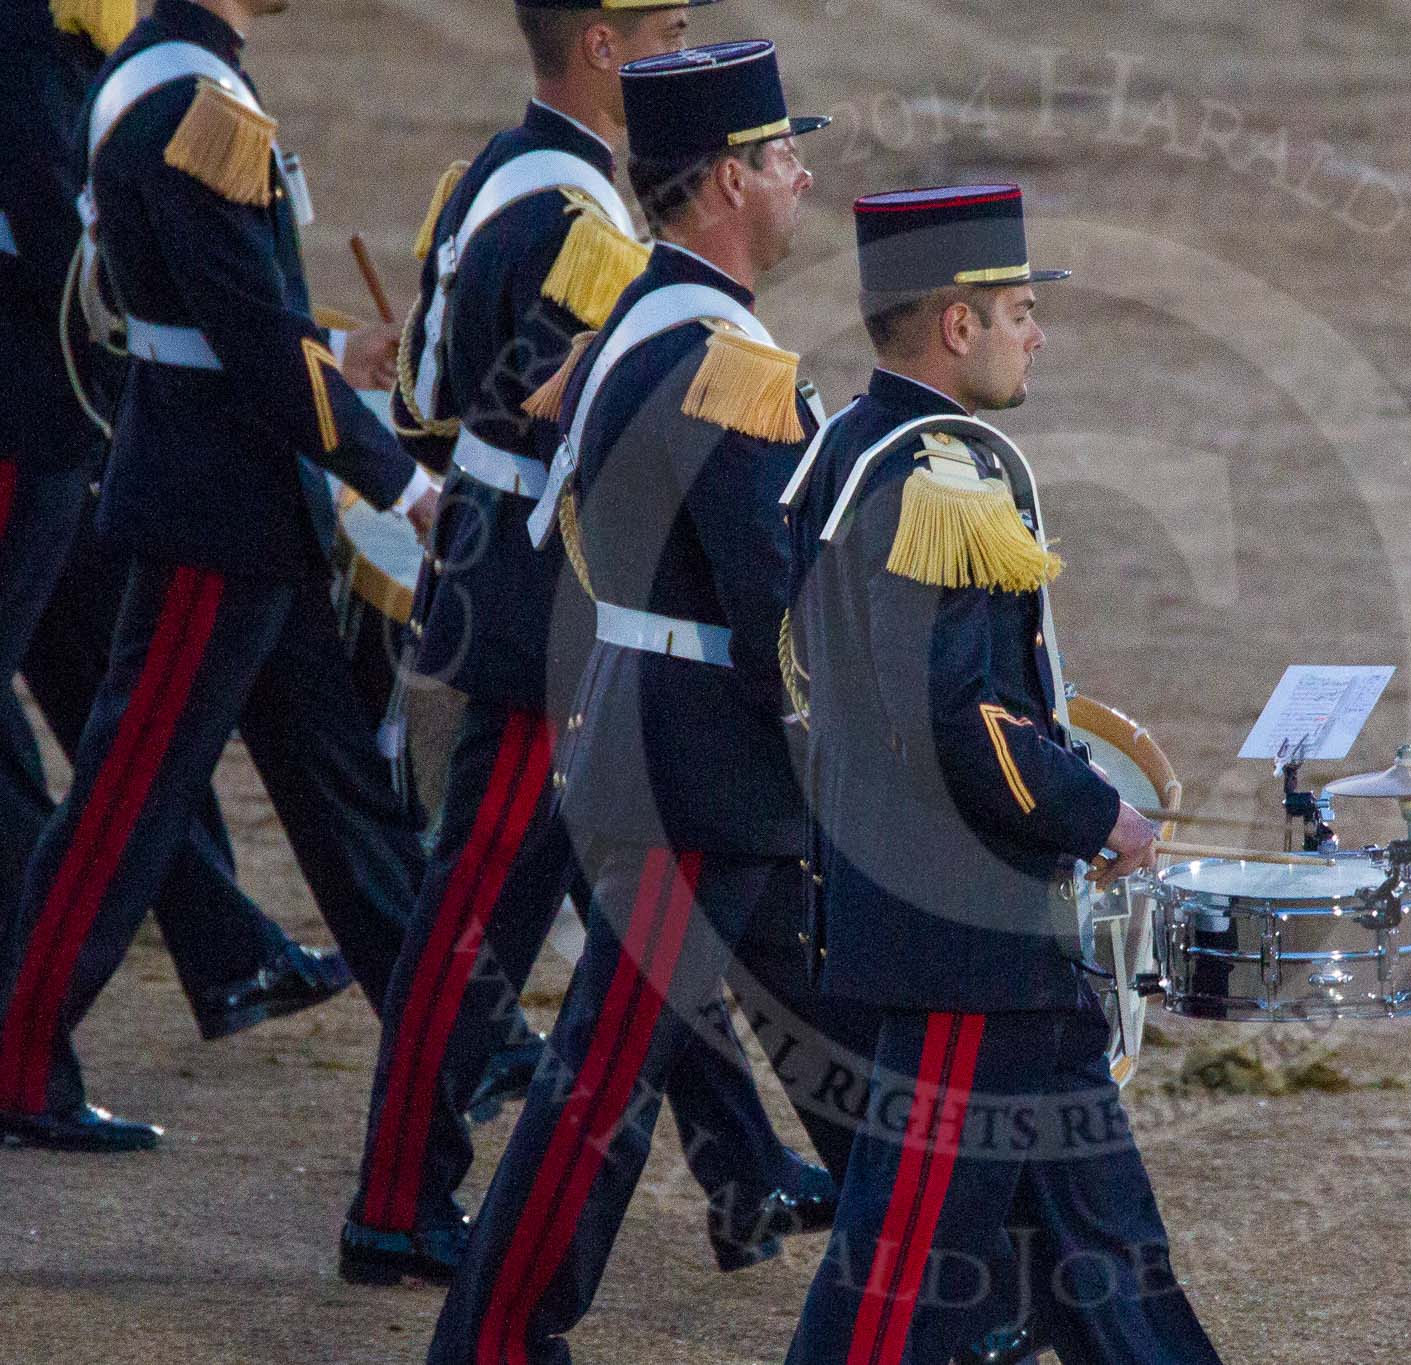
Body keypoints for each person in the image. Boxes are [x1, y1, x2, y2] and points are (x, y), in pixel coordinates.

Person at [341, 0, 829, 1289]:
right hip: (533, 598)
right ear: (601, 46)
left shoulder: (504, 174)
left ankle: (742, 1169)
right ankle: (396, 1198)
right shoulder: (575, 222)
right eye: (660, 32)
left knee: (642, 906)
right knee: (480, 913)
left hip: (503, 567)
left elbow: (432, 393)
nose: (676, 54)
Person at [779, 184, 1220, 1365]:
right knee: (901, 1268)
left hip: (948, 923)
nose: (1038, 334)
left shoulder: (838, 448)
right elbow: (963, 722)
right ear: (956, 326)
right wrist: (1098, 814)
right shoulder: (941, 475)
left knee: (1106, 1251)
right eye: (1019, 310)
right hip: (966, 933)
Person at [0, 0, 441, 1155]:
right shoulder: (199, 103)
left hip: (236, 494)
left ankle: (467, 1046)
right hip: (217, 502)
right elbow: (246, 345)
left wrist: (333, 356)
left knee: (340, 779)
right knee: (124, 801)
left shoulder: (169, 76)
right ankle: (17, 1061)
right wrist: (403, 485)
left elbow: (200, 307)